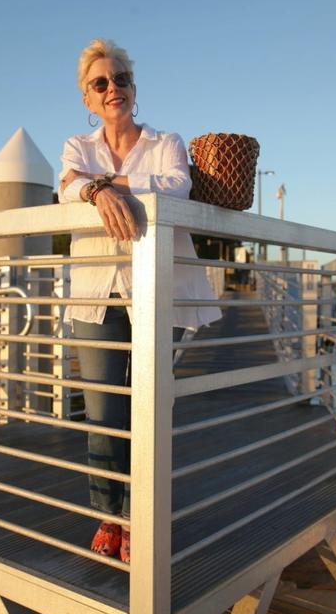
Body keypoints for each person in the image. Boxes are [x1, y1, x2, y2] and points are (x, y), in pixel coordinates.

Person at [58, 38, 221, 563]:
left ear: (134, 87)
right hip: (96, 291)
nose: (113, 89)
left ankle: (143, 516)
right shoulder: (75, 148)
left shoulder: (166, 140)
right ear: (87, 97)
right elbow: (65, 188)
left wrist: (103, 182)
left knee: (149, 407)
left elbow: (176, 186)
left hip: (157, 288)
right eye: (100, 83)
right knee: (105, 409)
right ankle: (111, 513)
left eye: (121, 79)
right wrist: (94, 189)